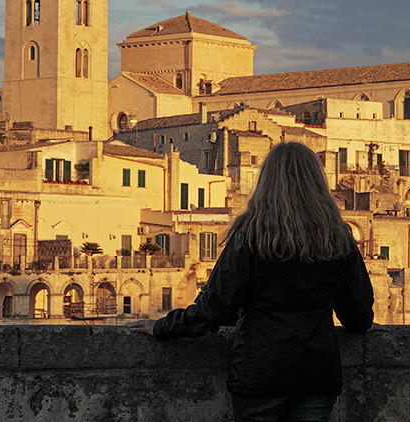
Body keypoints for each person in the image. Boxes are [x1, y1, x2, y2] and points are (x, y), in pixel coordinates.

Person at [129, 140, 374, 421]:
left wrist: (162, 326)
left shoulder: (251, 236)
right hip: (316, 373)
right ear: (318, 182)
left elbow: (215, 307)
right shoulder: (339, 239)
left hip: (259, 371)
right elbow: (358, 316)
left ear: (267, 181)